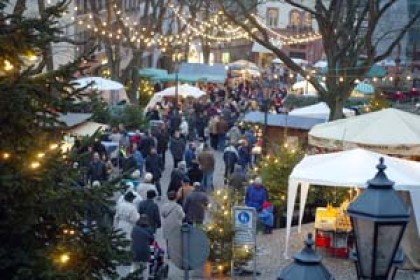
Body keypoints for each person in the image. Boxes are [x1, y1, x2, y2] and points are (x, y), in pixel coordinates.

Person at [161, 191, 185, 259]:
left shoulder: (164, 206)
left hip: (167, 225)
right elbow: (182, 216)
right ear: (175, 197)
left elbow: (163, 214)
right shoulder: (178, 207)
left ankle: (169, 254)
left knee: (168, 240)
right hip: (176, 225)